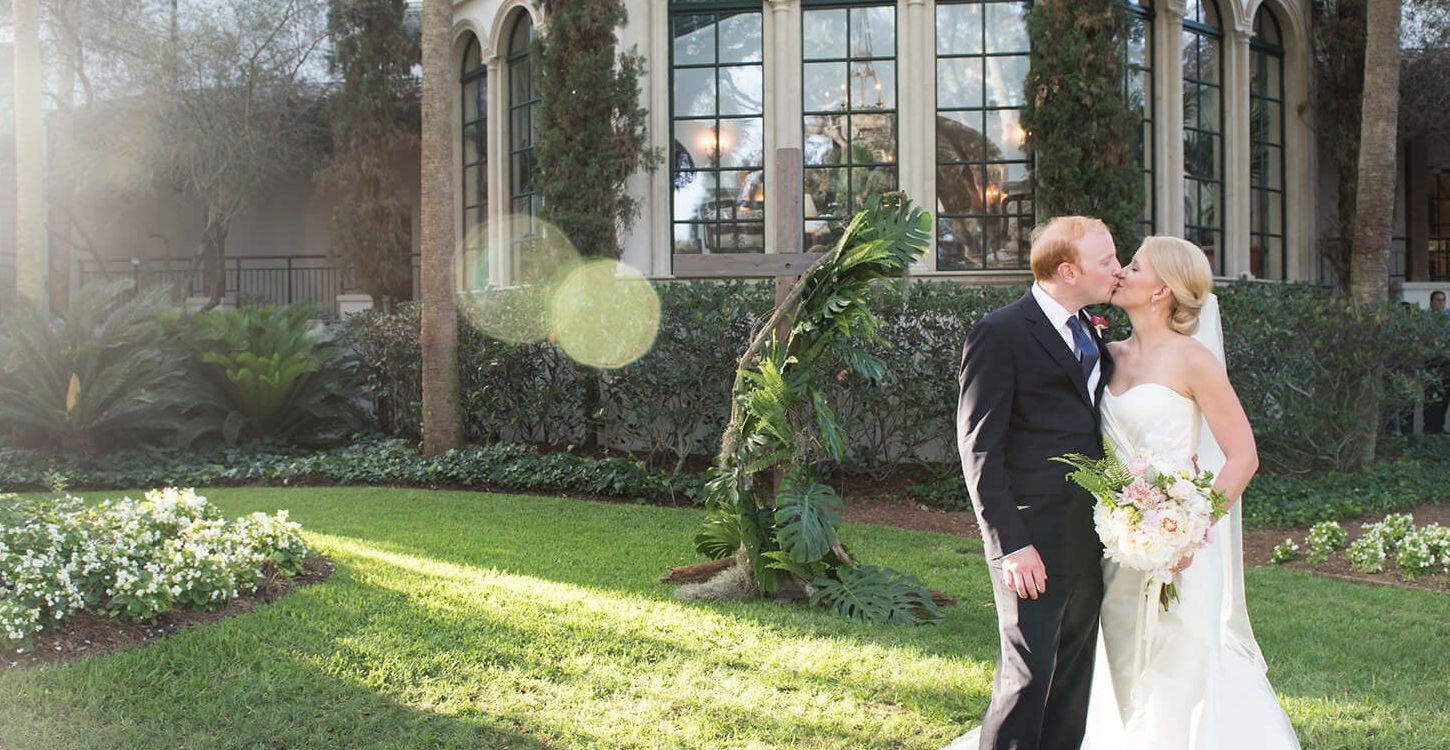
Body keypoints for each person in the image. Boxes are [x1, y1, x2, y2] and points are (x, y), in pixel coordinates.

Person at [1079, 236, 1300, 748]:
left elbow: (1243, 455)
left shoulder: (1194, 361)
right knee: (1119, 659)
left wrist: (1188, 533)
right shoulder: (1105, 354)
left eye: (1133, 267)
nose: (1120, 273)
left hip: (1183, 548)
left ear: (1161, 290)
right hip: (1118, 541)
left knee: (1178, 666)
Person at [953, 216, 1120, 749]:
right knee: (1028, 675)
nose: (1117, 269)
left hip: (1089, 530)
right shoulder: (1000, 333)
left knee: (1074, 674)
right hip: (1030, 534)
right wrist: (1011, 545)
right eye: (1107, 261)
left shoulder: (1089, 329)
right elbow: (978, 447)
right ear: (1068, 270)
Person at [1427, 291, 1449, 435]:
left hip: (1447, 361)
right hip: (1432, 361)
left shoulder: (1448, 319)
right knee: (1432, 395)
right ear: (1431, 302)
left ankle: (1439, 427)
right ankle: (1429, 428)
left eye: (1443, 300)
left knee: (1445, 395)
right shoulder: (1426, 319)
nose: (1440, 303)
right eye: (1438, 300)